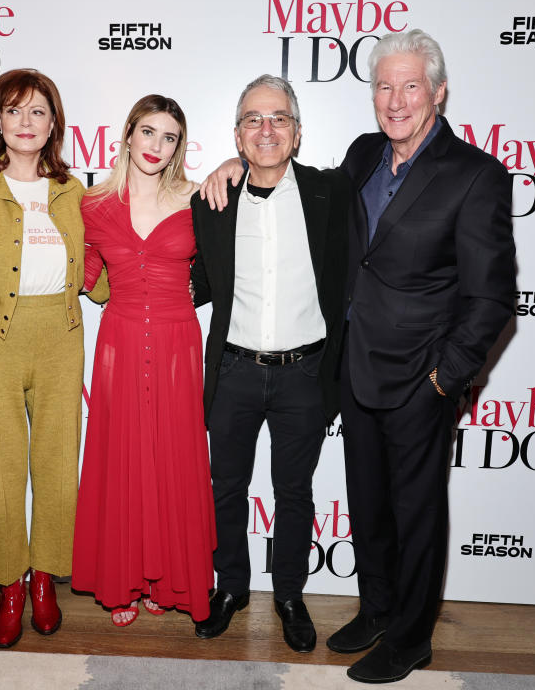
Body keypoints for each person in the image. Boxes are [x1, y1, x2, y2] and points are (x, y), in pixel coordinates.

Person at [200, 30, 517, 683]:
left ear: (437, 91)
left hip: (420, 380)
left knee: (418, 514)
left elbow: (492, 300)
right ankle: (377, 610)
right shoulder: (365, 155)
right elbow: (296, 193)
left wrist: (444, 379)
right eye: (383, 86)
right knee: (369, 506)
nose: (395, 100)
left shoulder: (475, 176)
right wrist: (231, 168)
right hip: (355, 372)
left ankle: (411, 639)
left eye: (409, 86)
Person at [0, 69, 106, 648]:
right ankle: (10, 583)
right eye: (14, 112)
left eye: (37, 112)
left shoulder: (75, 192)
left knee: (58, 470)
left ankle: (45, 580)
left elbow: (99, 281)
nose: (26, 123)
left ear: (53, 122)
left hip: (60, 340)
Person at [189, 75, 351, 652]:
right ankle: (230, 588)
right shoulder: (210, 200)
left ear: (299, 133)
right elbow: (196, 282)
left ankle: (288, 594)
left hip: (305, 373)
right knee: (225, 488)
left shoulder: (332, 195)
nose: (266, 129)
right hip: (232, 370)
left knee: (295, 493)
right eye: (253, 119)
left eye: (279, 118)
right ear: (237, 134)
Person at [71, 95, 216, 627]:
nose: (157, 146)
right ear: (128, 134)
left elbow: (222, 269)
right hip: (121, 341)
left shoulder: (200, 200)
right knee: (124, 456)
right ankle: (125, 580)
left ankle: (166, 578)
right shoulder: (92, 203)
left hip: (179, 341)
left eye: (170, 136)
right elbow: (80, 276)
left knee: (172, 457)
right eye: (149, 132)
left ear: (180, 146)